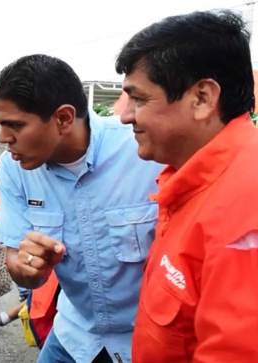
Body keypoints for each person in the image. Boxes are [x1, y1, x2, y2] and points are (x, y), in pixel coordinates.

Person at [0, 54, 162, 363]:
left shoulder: (143, 153)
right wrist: (28, 268)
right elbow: (16, 261)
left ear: (64, 118)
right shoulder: (13, 169)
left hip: (146, 342)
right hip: (74, 338)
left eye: (14, 125)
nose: (3, 139)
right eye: (0, 125)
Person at [116, 11, 258, 361]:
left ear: (202, 99)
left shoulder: (244, 208)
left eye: (140, 99)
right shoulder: (192, 180)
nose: (124, 115)